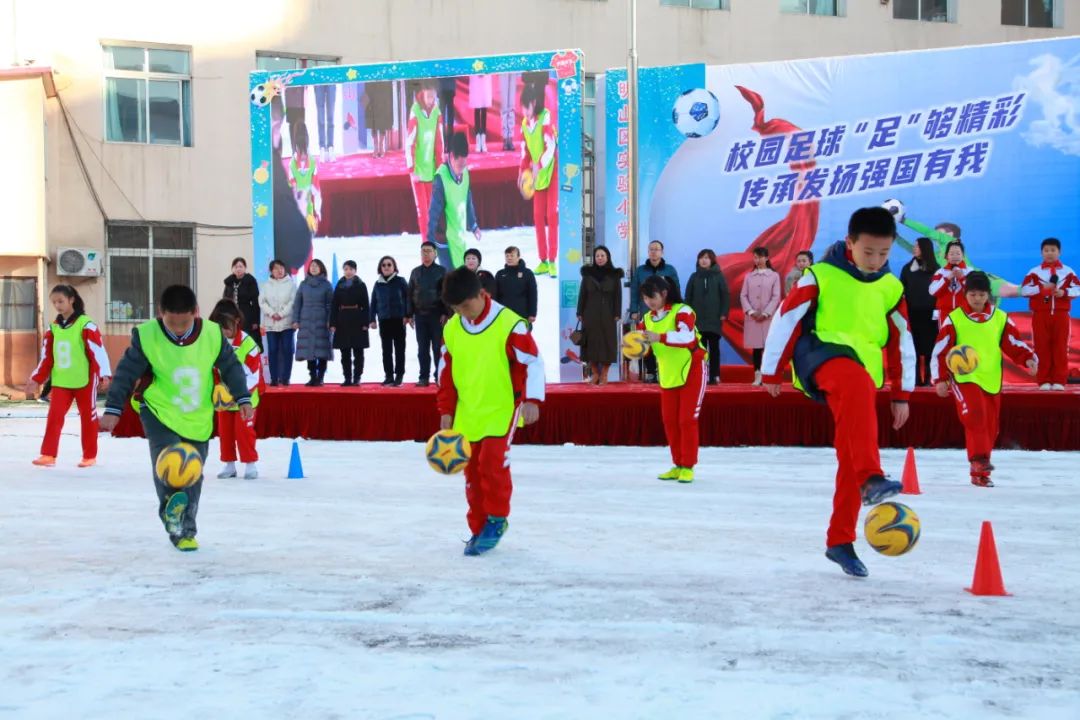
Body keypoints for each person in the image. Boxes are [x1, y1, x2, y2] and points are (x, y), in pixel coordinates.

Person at [760, 207, 915, 578]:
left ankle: (840, 541)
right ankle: (872, 477)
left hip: (863, 368)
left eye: (884, 253)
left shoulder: (892, 288)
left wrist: (901, 393)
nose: (876, 260)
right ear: (850, 243)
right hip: (822, 355)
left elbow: (901, 341)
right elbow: (787, 318)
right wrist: (772, 371)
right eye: (868, 252)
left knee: (850, 448)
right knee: (857, 388)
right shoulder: (820, 275)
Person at [99, 285, 252, 552]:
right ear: (161, 313)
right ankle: (176, 525)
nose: (179, 328)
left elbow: (231, 367)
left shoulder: (213, 334)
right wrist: (113, 408)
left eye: (185, 322)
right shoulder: (146, 335)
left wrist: (243, 398)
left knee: (191, 474)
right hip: (159, 411)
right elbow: (125, 372)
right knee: (170, 462)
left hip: (197, 415)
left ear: (196, 312)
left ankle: (186, 529)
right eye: (172, 322)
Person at [437, 268, 545, 555]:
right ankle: (478, 526)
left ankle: (497, 519)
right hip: (468, 411)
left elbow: (533, 362)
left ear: (481, 294)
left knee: (491, 463)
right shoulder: (452, 328)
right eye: (456, 309)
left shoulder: (510, 324)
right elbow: (445, 373)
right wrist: (446, 410)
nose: (462, 313)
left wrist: (533, 400)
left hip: (501, 408)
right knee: (471, 472)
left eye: (466, 306)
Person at [932, 271, 1038, 488]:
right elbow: (940, 351)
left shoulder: (1000, 318)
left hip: (991, 378)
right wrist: (940, 379)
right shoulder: (955, 318)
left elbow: (1012, 342)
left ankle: (980, 471)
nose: (977, 299)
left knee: (990, 427)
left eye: (981, 294)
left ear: (988, 295)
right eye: (973, 294)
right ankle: (979, 460)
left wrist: (1027, 359)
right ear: (965, 294)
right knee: (975, 416)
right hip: (964, 378)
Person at [26, 285, 112, 468]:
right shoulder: (53, 329)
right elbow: (47, 358)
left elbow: (98, 351)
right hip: (62, 381)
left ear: (71, 300)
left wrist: (104, 374)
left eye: (60, 301)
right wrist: (36, 379)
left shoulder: (86, 324)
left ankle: (89, 456)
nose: (57, 305)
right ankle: (48, 455)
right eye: (54, 302)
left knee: (88, 418)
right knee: (54, 416)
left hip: (85, 380)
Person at [638, 275, 707, 483]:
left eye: (653, 296)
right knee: (670, 421)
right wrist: (633, 348)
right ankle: (677, 464)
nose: (649, 301)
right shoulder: (646, 319)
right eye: (645, 297)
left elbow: (687, 338)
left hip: (692, 370)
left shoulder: (683, 311)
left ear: (664, 293)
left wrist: (659, 337)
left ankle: (688, 465)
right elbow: (643, 347)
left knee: (687, 420)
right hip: (668, 374)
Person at [208, 300, 263, 480]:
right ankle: (229, 465)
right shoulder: (214, 343)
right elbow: (212, 370)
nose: (223, 331)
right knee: (225, 433)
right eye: (218, 326)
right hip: (223, 400)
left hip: (245, 399)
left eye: (226, 326)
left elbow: (254, 374)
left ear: (237, 321)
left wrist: (239, 395)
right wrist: (217, 388)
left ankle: (250, 464)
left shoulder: (248, 344)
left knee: (244, 432)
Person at [1020, 238, 1079, 391]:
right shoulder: (1034, 272)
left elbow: (1078, 289)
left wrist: (1064, 292)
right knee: (1041, 347)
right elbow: (1025, 290)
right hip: (1040, 315)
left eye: (1053, 250)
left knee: (1060, 347)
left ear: (1059, 252)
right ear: (1041, 253)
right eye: (1046, 250)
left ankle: (1059, 380)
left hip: (1061, 315)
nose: (1049, 253)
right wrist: (1042, 289)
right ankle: (1044, 380)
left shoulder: (1068, 271)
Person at [519, 83, 558, 277]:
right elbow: (525, 151)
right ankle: (542, 260)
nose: (524, 111)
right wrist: (523, 171)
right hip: (536, 175)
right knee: (537, 216)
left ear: (533, 103)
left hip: (550, 170)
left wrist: (539, 166)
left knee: (551, 215)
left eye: (526, 107)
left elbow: (551, 147)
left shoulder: (546, 117)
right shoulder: (525, 124)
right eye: (522, 108)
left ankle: (552, 261)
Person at [629, 240, 680, 383]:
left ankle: (665, 371)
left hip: (666, 313)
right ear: (648, 252)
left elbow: (675, 290)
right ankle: (651, 372)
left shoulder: (669, 270)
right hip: (647, 312)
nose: (654, 252)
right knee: (647, 342)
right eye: (651, 249)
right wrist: (634, 309)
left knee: (664, 342)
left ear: (662, 252)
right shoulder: (640, 271)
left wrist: (676, 308)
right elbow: (634, 292)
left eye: (657, 249)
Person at [428, 132, 481, 269]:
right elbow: (433, 212)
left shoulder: (465, 173)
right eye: (459, 166)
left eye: (465, 165)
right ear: (451, 157)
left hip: (459, 238)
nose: (461, 170)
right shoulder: (441, 178)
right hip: (444, 241)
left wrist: (473, 225)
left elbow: (467, 200)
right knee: (452, 281)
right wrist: (429, 243)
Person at [577, 245, 623, 385]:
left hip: (608, 314)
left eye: (602, 255)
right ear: (594, 258)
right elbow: (582, 294)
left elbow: (618, 295)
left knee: (607, 343)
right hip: (590, 313)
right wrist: (580, 312)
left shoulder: (614, 275)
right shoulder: (588, 274)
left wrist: (617, 313)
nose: (600, 258)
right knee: (590, 343)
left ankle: (604, 374)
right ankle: (595, 373)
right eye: (597, 256)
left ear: (607, 257)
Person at [406, 80, 445, 243]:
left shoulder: (437, 110)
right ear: (423, 93)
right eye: (428, 96)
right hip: (417, 171)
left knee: (432, 209)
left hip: (431, 170)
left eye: (433, 97)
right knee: (422, 210)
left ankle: (432, 240)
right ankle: (426, 243)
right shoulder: (415, 111)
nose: (431, 100)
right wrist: (411, 168)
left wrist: (439, 166)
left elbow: (439, 140)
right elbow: (410, 142)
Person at [684, 249, 730, 385]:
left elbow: (725, 296)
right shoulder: (694, 277)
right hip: (697, 320)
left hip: (714, 318)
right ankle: (700, 374)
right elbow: (688, 297)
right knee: (700, 350)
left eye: (707, 258)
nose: (703, 260)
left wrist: (723, 313)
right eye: (701, 258)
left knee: (714, 349)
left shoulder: (719, 276)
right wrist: (687, 315)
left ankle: (715, 375)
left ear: (712, 260)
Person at [406, 242, 448, 387]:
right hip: (420, 316)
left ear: (435, 253)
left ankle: (439, 376)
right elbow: (410, 294)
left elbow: (446, 294)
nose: (426, 254)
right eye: (423, 251)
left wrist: (445, 313)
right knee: (422, 348)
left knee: (437, 348)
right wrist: (409, 314)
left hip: (437, 315)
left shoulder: (442, 271)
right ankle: (423, 377)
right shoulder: (415, 272)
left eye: (429, 251)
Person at [900, 237, 940, 386]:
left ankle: (930, 379)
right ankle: (916, 380)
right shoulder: (907, 268)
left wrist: (937, 311)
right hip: (913, 315)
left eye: (917, 246)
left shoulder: (937, 269)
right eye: (914, 245)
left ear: (925, 248)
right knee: (914, 349)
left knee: (931, 349)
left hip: (931, 316)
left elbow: (941, 292)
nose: (914, 248)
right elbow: (901, 289)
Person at [741, 247, 781, 386]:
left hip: (768, 318)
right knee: (756, 349)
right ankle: (757, 375)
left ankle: (768, 375)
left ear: (767, 258)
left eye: (760, 257)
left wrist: (765, 313)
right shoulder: (749, 276)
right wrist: (751, 312)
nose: (757, 260)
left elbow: (776, 296)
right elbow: (743, 295)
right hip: (753, 318)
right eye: (755, 257)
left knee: (768, 348)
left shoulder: (774, 276)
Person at [292, 259, 333, 387]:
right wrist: (295, 320)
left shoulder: (327, 285)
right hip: (306, 320)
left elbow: (330, 305)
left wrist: (330, 321)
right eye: (312, 266)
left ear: (321, 268)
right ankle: (312, 376)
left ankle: (320, 377)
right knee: (309, 350)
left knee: (322, 350)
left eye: (316, 266)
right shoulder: (303, 284)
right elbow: (297, 304)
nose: (314, 268)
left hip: (322, 320)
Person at [370, 255, 409, 386]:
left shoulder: (401, 281)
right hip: (384, 320)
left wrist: (407, 315)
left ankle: (399, 376)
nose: (386, 267)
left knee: (399, 349)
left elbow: (408, 299)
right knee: (386, 350)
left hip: (399, 320)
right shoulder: (378, 284)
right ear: (380, 268)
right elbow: (373, 303)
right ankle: (389, 376)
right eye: (384, 265)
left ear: (394, 267)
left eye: (389, 264)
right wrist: (372, 319)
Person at [330, 260, 370, 387]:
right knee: (344, 352)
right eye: (346, 269)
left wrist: (366, 322)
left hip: (357, 319)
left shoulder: (361, 285)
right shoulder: (339, 285)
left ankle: (357, 377)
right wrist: (333, 323)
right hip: (342, 320)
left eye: (351, 269)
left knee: (358, 351)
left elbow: (366, 305)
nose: (348, 271)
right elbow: (334, 306)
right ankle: (347, 378)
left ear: (355, 271)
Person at [260, 258, 296, 386]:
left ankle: (286, 378)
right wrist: (271, 313)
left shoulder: (291, 284)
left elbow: (292, 302)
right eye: (276, 268)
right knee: (272, 350)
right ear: (271, 271)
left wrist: (281, 314)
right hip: (271, 323)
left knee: (287, 350)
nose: (279, 271)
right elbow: (262, 302)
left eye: (281, 268)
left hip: (286, 322)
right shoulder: (266, 285)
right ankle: (274, 379)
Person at [287, 122, 321, 236]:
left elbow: (316, 190)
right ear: (295, 147)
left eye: (304, 149)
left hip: (309, 215)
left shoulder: (312, 163)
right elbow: (292, 192)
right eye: (300, 150)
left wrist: (317, 211)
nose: (303, 154)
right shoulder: (291, 165)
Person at [928, 240, 970, 327]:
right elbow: (932, 291)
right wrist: (947, 278)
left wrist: (962, 278)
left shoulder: (970, 271)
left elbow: (974, 291)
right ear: (946, 256)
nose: (955, 256)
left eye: (958, 253)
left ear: (963, 255)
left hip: (964, 312)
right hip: (944, 313)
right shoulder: (940, 272)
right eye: (951, 254)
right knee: (945, 339)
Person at [222, 257, 262, 350]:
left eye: (241, 266)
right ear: (233, 269)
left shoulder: (250, 281)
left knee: (245, 339)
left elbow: (255, 302)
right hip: (231, 316)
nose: (238, 269)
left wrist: (256, 321)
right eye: (236, 267)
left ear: (245, 268)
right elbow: (225, 299)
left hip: (246, 314)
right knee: (233, 340)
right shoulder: (229, 282)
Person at [494, 246, 538, 326]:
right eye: (507, 256)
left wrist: (532, 313)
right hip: (504, 314)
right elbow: (496, 295)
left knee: (522, 337)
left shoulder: (527, 273)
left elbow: (532, 294)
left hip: (522, 314)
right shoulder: (500, 274)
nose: (509, 258)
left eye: (512, 256)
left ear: (518, 257)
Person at [362, 81, 394, 158]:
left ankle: (381, 146)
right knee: (371, 112)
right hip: (371, 78)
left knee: (383, 114)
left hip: (383, 81)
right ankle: (375, 147)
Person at [469, 74, 493, 153]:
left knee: (484, 107)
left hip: (485, 77)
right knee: (477, 106)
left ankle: (483, 141)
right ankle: (478, 141)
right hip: (475, 77)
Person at [314, 83, 336, 163]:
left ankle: (330, 147)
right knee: (321, 119)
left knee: (330, 116)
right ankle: (322, 148)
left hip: (331, 79)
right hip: (318, 79)